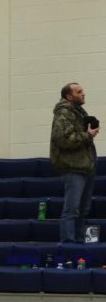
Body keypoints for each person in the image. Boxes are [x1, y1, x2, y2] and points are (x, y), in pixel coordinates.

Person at [51, 83, 99, 244]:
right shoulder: (64, 112)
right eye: (79, 92)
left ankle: (78, 243)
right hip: (73, 168)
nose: (83, 93)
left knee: (82, 210)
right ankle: (68, 244)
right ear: (69, 96)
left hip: (85, 166)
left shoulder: (77, 112)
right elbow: (62, 139)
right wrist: (87, 135)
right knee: (72, 209)